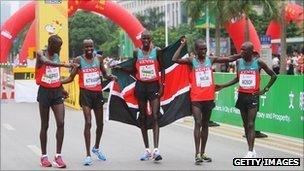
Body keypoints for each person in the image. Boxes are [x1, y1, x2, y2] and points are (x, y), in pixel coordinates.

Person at [172, 37, 241, 164]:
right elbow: (174, 59)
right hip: (196, 98)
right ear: (196, 50)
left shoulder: (211, 59)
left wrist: (241, 54)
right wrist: (181, 46)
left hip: (209, 97)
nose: (204, 51)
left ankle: (203, 152)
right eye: (201, 49)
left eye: (205, 49)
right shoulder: (191, 61)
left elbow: (229, 59)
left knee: (205, 125)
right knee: (197, 123)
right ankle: (197, 153)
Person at [217, 42, 277, 158]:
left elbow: (274, 76)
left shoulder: (258, 62)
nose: (241, 52)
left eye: (244, 50)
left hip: (253, 96)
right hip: (242, 95)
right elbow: (237, 78)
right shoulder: (239, 62)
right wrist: (223, 85)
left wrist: (265, 90)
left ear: (251, 52)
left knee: (250, 123)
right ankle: (251, 148)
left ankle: (250, 151)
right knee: (245, 124)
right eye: (241, 50)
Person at [61, 39, 116, 166]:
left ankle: (96, 147)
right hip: (85, 94)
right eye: (86, 47)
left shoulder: (100, 59)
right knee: (88, 122)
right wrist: (58, 82)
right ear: (83, 48)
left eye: (90, 46)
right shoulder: (78, 60)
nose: (89, 49)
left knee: (100, 124)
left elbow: (105, 75)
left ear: (93, 46)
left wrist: (111, 77)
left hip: (97, 94)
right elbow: (71, 77)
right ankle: (87, 155)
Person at [113, 30, 165, 161]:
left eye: (148, 38)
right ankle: (147, 150)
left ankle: (156, 150)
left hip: (153, 86)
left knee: (155, 115)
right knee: (142, 116)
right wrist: (120, 68)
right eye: (144, 39)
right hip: (141, 86)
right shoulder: (137, 52)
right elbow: (133, 69)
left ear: (151, 39)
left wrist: (162, 86)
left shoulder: (157, 51)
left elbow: (162, 68)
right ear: (141, 40)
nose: (146, 41)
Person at [36, 35, 76, 168]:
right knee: (45, 125)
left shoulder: (57, 55)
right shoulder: (40, 54)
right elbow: (47, 63)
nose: (60, 48)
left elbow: (55, 75)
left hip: (56, 92)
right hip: (44, 92)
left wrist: (62, 89)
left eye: (61, 45)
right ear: (50, 44)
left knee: (61, 122)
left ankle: (58, 156)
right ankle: (44, 156)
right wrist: (65, 64)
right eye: (58, 46)